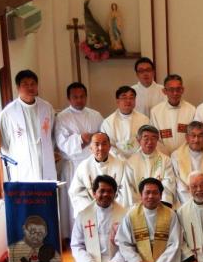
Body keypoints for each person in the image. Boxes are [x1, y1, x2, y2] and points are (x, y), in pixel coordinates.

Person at [55, 82, 104, 237]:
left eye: (82, 96)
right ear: (69, 98)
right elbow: (61, 143)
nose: (79, 100)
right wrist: (80, 139)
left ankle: (96, 235)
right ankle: (74, 236)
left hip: (92, 166)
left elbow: (103, 136)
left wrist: (95, 139)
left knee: (94, 200)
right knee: (73, 204)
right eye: (75, 97)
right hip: (73, 166)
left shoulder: (95, 115)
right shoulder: (62, 117)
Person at [0, 69, 56, 181]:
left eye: (33, 84)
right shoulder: (8, 113)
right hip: (22, 166)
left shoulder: (46, 107)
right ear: (18, 87)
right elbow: (4, 144)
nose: (30, 88)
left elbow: (52, 134)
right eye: (25, 84)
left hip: (45, 162)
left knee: (46, 195)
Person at [69, 132, 135, 218]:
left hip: (114, 213)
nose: (100, 148)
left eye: (104, 144)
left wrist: (111, 210)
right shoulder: (83, 167)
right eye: (97, 144)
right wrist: (93, 210)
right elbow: (77, 193)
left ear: (109, 147)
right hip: (91, 214)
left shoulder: (121, 165)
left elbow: (124, 193)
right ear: (90, 148)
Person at [127, 125, 176, 207]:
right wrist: (140, 206)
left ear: (157, 141)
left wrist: (161, 204)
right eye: (146, 138)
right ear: (139, 140)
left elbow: (168, 184)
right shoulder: (131, 162)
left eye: (153, 138)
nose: (150, 142)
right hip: (138, 207)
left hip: (160, 205)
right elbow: (129, 188)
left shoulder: (165, 160)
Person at [171, 121, 203, 204]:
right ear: (187, 137)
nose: (196, 140)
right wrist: (191, 202)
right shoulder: (176, 156)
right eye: (193, 136)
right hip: (186, 201)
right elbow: (178, 183)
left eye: (200, 136)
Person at [149, 74, 196, 156]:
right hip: (163, 157)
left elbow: (193, 137)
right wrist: (165, 156)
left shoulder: (192, 110)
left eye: (178, 89)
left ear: (182, 90)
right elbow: (155, 137)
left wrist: (181, 154)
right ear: (164, 91)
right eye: (171, 90)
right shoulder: (155, 111)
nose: (175, 93)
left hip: (186, 156)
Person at [101, 86, 150, 160]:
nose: (128, 101)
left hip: (140, 159)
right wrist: (122, 159)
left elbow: (147, 140)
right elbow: (109, 145)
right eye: (124, 98)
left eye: (131, 98)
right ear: (117, 101)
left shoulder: (144, 119)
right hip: (117, 160)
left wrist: (136, 157)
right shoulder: (108, 122)